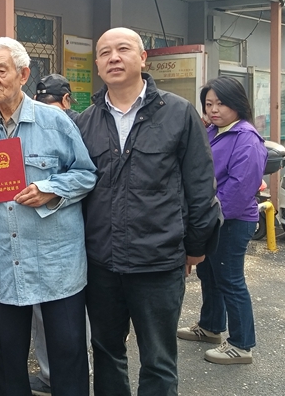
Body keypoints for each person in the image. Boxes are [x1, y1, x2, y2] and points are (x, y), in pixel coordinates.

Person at [75, 27, 221, 396]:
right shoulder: (86, 121)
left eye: (123, 49)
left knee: (158, 359)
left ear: (142, 58)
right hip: (101, 263)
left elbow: (200, 187)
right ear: (98, 65)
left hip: (158, 262)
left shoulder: (178, 113)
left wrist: (194, 247)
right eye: (105, 52)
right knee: (106, 351)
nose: (113, 58)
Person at [0, 37, 97, 396]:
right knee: (8, 360)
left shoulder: (55, 122)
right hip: (7, 261)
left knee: (68, 355)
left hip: (57, 262)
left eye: (1, 70)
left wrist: (51, 188)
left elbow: (86, 174)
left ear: (23, 74)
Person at [177, 77, 267, 364]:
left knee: (230, 279)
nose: (214, 110)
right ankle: (211, 327)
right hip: (211, 217)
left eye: (221, 103)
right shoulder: (214, 131)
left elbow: (239, 190)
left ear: (237, 104)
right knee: (209, 274)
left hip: (232, 220)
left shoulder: (246, 138)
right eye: (209, 104)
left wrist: (209, 219)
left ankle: (241, 344)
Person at [30, 73, 89, 395]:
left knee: (56, 310)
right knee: (65, 310)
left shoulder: (74, 125)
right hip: (69, 230)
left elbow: (86, 175)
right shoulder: (82, 123)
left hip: (62, 231)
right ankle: (64, 372)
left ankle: (56, 374)